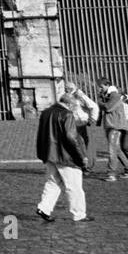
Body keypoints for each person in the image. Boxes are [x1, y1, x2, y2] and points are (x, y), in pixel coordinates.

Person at [36, 90, 92, 223]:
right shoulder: (66, 114)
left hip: (50, 154)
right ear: (70, 105)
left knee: (53, 182)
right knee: (74, 186)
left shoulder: (46, 112)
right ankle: (79, 214)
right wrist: (80, 156)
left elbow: (41, 134)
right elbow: (71, 137)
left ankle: (44, 207)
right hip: (65, 155)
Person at [99, 85, 128, 181]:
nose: (99, 89)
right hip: (113, 125)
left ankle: (111, 173)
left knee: (112, 150)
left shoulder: (115, 96)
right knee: (117, 150)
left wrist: (100, 102)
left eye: (101, 87)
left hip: (115, 126)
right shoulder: (110, 96)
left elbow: (108, 108)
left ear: (106, 87)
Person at [63, 82, 99, 173]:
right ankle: (83, 165)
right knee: (78, 144)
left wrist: (93, 119)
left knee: (87, 144)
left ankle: (88, 166)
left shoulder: (80, 95)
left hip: (85, 123)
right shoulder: (68, 97)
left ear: (70, 88)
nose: (65, 89)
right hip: (75, 123)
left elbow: (94, 106)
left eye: (66, 88)